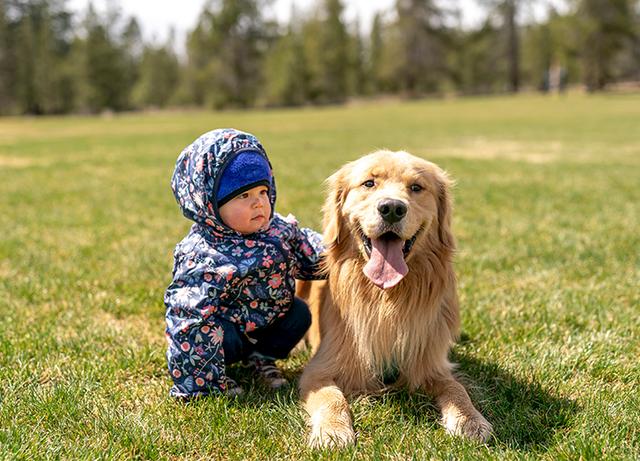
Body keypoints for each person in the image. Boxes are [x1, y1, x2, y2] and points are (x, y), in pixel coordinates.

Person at [165, 128, 324, 399]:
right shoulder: (203, 255)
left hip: (267, 323)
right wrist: (199, 383)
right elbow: (188, 316)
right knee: (204, 330)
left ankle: (261, 359)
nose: (258, 203)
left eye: (263, 191)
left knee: (299, 313)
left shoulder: (279, 230)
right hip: (227, 336)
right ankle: (212, 377)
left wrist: (342, 255)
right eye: (244, 196)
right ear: (211, 204)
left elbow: (310, 248)